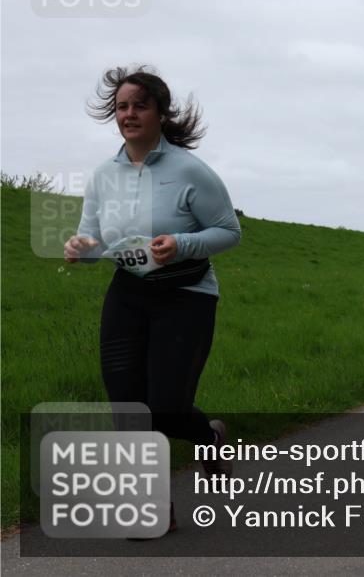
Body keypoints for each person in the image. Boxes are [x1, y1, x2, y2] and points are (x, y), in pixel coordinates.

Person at [63, 66, 241, 534]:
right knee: (127, 405)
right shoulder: (104, 175)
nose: (129, 114)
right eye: (122, 106)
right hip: (128, 295)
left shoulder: (189, 170)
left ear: (160, 112)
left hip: (186, 296)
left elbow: (228, 231)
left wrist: (181, 245)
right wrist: (81, 251)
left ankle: (209, 437)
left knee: (165, 405)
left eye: (140, 105)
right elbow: (92, 239)